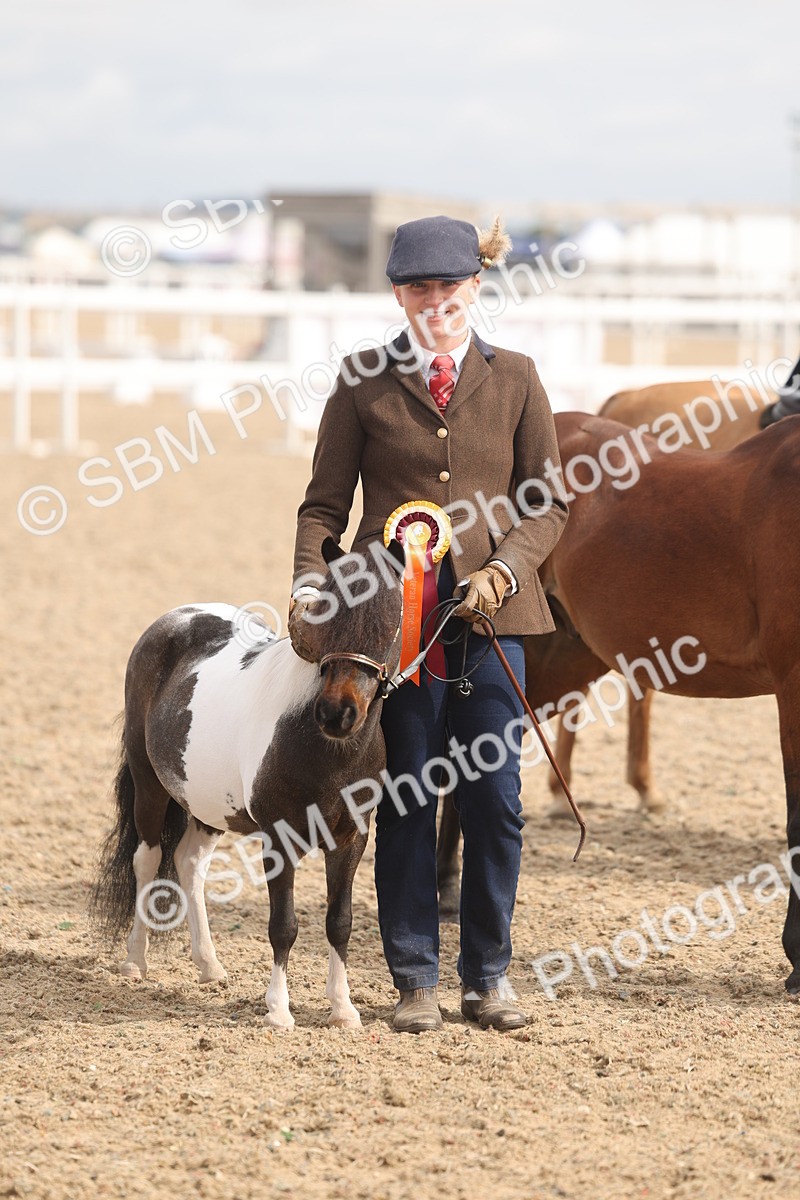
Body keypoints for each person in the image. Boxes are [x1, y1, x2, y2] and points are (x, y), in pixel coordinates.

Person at [289, 214, 569, 1033]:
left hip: (492, 624)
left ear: (475, 286)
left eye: (448, 285)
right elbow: (323, 507)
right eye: (418, 287)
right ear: (398, 295)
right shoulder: (362, 381)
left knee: (497, 802)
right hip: (391, 634)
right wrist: (310, 588)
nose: (434, 300)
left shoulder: (518, 378)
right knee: (407, 797)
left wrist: (504, 569)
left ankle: (489, 978)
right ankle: (414, 978)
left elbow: (547, 500)